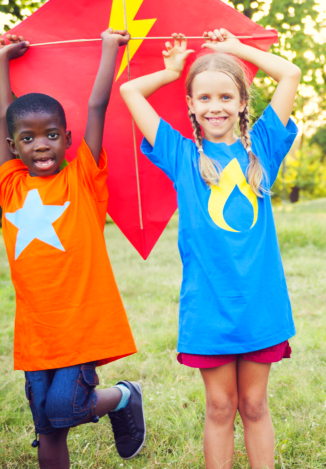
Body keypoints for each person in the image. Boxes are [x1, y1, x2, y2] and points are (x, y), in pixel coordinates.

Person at [117, 29, 301, 469]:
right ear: (191, 106)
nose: (214, 106)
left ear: (242, 103)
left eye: (225, 96)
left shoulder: (264, 147)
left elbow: (290, 73)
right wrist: (171, 71)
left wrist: (233, 50)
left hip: (260, 304)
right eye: (203, 98)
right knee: (220, 407)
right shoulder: (179, 154)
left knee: (254, 405)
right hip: (209, 306)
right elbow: (129, 90)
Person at [0, 28, 148, 468]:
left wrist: (108, 50)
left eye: (51, 135)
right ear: (12, 145)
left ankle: (122, 397)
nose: (40, 144)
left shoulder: (83, 177)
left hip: (81, 323)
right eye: (28, 138)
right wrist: (1, 61)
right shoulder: (10, 184)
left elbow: (98, 105)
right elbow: (4, 114)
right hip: (37, 330)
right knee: (46, 425)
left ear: (66, 137)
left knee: (64, 408)